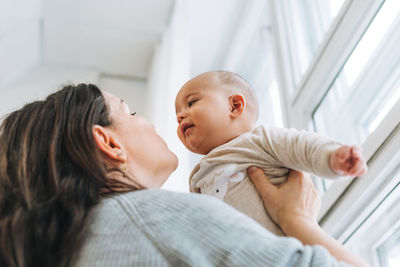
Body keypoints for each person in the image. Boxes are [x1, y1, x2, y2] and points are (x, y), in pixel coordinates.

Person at [0, 84, 368, 267]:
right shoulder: (146, 217)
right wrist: (298, 221)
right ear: (108, 142)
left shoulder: (72, 249)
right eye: (130, 113)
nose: (154, 121)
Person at [175, 71, 368, 235]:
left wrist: (333, 157)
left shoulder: (259, 140)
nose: (180, 115)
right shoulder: (198, 175)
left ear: (234, 106)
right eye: (177, 115)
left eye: (191, 103)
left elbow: (302, 146)